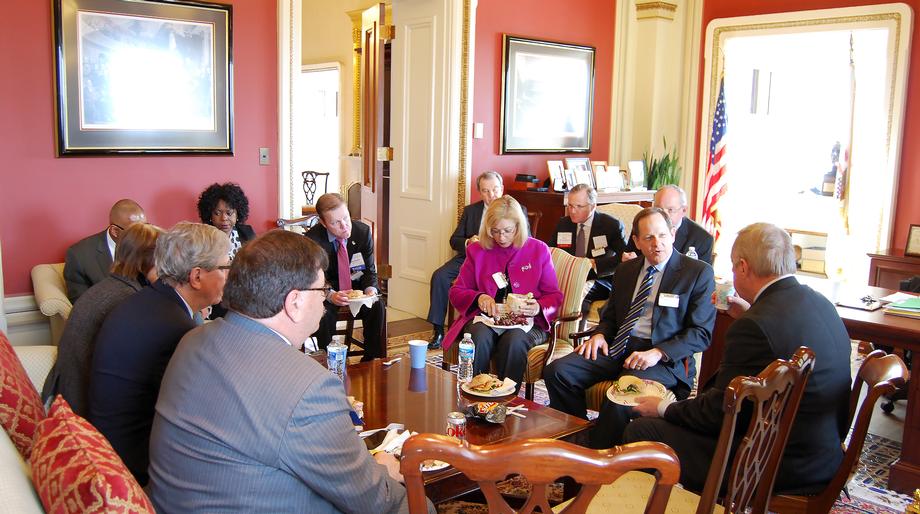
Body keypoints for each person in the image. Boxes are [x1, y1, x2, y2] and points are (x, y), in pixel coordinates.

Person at [147, 230, 428, 514]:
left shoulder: (193, 340)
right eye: (321, 290)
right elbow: (373, 501)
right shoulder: (309, 388)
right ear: (294, 302)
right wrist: (386, 473)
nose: (324, 300)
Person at [623, 222, 851, 495]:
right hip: (822, 455)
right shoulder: (819, 302)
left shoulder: (754, 326)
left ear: (743, 267)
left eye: (732, 267)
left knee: (642, 431)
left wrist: (663, 407)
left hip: (772, 463)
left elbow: (717, 413)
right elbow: (779, 339)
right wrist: (750, 314)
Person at [543, 207, 715, 448]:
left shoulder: (697, 273)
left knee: (621, 396)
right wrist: (601, 334)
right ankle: (578, 437)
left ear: (673, 234)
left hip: (663, 358)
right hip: (619, 346)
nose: (657, 244)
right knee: (558, 372)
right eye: (649, 238)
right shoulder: (625, 270)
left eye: (663, 235)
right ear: (636, 241)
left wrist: (658, 353)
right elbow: (611, 316)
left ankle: (598, 457)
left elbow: (701, 333)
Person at [88, 222, 230, 485]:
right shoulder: (175, 327)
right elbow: (195, 414)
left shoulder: (150, 300)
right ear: (196, 276)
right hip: (134, 466)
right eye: (224, 267)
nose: (228, 275)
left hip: (113, 443)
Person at [41, 223, 162, 417]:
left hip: (61, 397)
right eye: (162, 259)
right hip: (81, 411)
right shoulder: (128, 299)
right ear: (145, 262)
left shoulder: (110, 286)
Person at [444, 196, 562, 390]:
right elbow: (456, 291)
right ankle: (476, 396)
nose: (501, 237)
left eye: (508, 231)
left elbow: (554, 296)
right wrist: (479, 297)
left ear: (519, 227)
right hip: (487, 319)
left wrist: (539, 306)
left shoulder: (538, 250)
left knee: (513, 340)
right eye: (495, 231)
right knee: (478, 336)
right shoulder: (477, 250)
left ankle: (506, 399)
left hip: (527, 324)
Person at [427, 171, 527, 349]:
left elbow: (526, 243)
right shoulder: (471, 211)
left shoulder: (517, 210)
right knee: (439, 276)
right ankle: (438, 330)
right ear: (480, 192)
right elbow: (454, 240)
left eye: (495, 190)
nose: (491, 195)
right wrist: (468, 242)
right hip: (469, 257)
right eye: (486, 191)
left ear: (502, 189)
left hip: (499, 263)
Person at [306, 193, 385, 360]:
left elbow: (370, 271)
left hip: (356, 286)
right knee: (324, 312)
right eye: (335, 222)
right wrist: (331, 294)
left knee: (377, 305)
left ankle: (372, 359)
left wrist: (370, 290)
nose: (345, 226)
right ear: (323, 223)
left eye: (346, 218)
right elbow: (313, 279)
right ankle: (331, 361)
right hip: (327, 289)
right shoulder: (313, 240)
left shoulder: (362, 232)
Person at [548, 184, 628, 314]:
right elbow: (550, 252)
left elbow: (624, 258)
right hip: (568, 275)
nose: (572, 211)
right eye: (570, 205)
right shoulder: (563, 224)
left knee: (580, 291)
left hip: (598, 278)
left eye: (579, 206)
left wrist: (595, 264)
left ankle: (573, 330)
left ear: (593, 206)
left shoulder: (610, 225)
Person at [64, 199, 146, 302]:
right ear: (115, 231)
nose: (143, 236)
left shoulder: (149, 246)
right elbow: (82, 305)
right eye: (135, 231)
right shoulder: (79, 256)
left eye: (144, 227)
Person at [623, 185, 713, 264]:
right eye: (658, 209)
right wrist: (630, 260)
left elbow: (701, 278)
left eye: (670, 210)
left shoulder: (702, 239)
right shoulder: (643, 227)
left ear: (684, 210)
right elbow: (630, 257)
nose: (663, 215)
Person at [197, 182, 256, 261]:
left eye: (229, 213)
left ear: (237, 214)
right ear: (209, 215)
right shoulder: (203, 237)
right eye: (217, 213)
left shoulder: (247, 233)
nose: (224, 218)